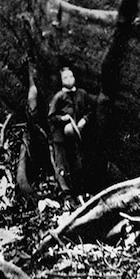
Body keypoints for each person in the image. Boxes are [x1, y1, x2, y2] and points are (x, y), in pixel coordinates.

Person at [47, 66, 96, 207]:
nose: (69, 79)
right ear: (61, 81)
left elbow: (89, 111)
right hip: (61, 137)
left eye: (71, 76)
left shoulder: (81, 94)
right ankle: (67, 196)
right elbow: (51, 117)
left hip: (76, 135)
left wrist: (83, 121)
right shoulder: (59, 97)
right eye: (65, 77)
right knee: (63, 165)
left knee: (79, 163)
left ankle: (82, 193)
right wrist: (64, 119)